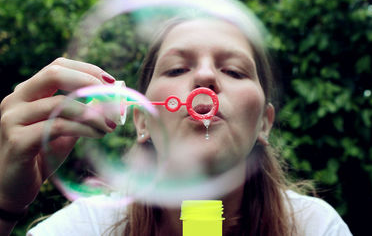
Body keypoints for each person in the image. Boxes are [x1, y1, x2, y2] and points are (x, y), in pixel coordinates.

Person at [0, 17, 352, 236]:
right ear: (141, 119)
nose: (205, 76)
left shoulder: (312, 227)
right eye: (176, 69)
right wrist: (4, 204)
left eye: (233, 71)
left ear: (264, 123)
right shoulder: (88, 227)